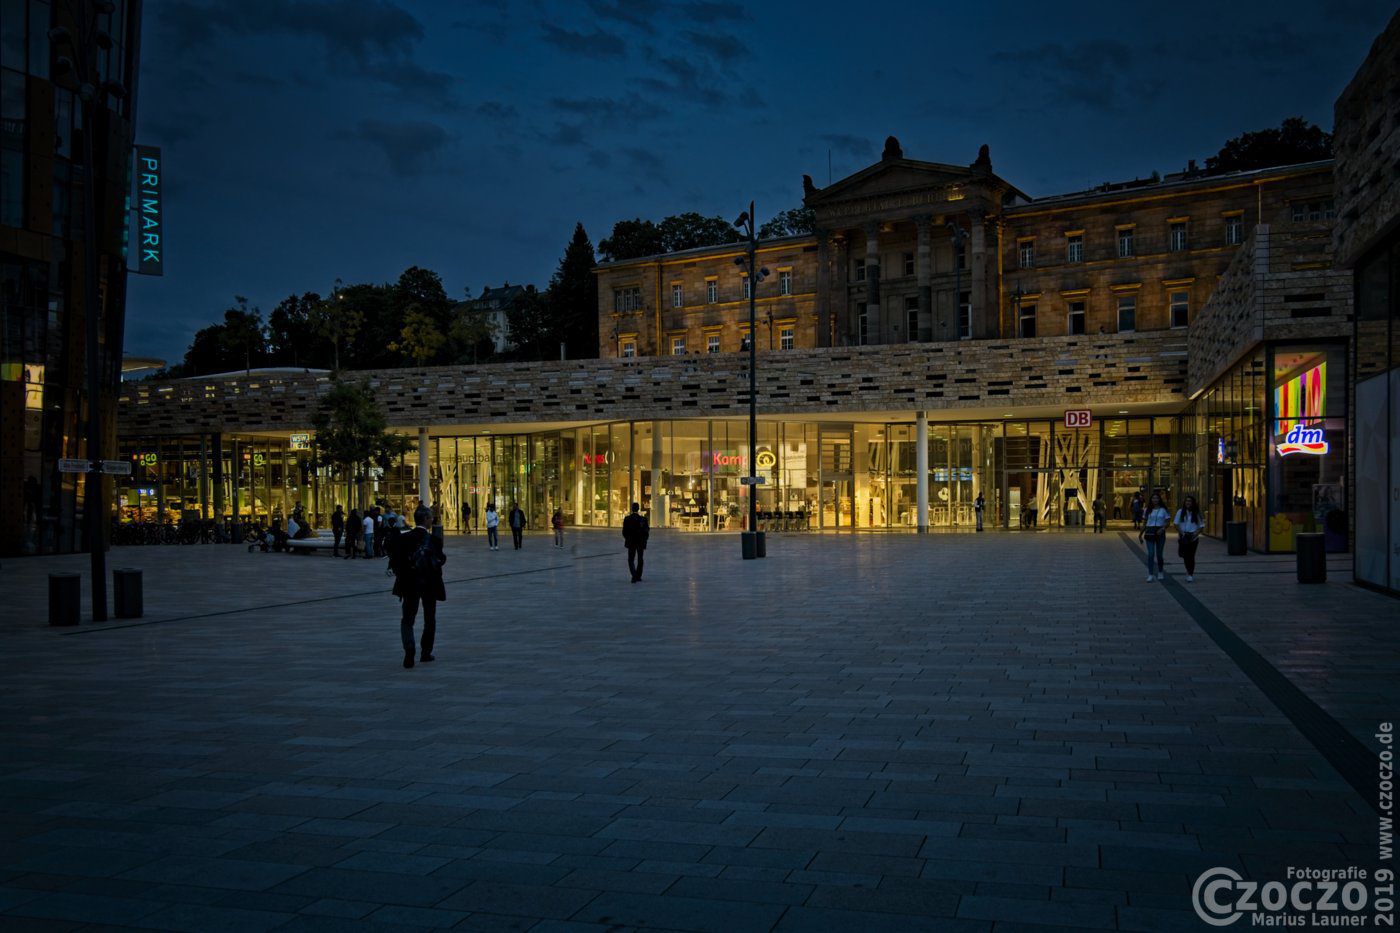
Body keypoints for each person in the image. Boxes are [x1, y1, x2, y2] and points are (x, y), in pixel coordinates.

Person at [388, 505, 446, 669]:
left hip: (409, 584)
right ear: (426, 520)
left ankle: (409, 648)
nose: (431, 520)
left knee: (407, 619)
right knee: (430, 618)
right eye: (430, 518)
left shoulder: (404, 538)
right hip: (429, 584)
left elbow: (396, 561)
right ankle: (426, 652)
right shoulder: (434, 540)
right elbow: (440, 560)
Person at [1139, 492, 1170, 581]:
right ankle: (1150, 574)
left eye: (1156, 498)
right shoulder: (1147, 510)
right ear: (1151, 500)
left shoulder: (1164, 510)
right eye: (1153, 498)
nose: (1155, 500)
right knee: (1151, 554)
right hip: (1150, 532)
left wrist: (1163, 528)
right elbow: (1144, 523)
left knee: (1159, 554)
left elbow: (1168, 521)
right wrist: (1140, 534)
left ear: (1159, 499)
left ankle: (1160, 571)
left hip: (1160, 532)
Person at [1173, 495, 1204, 582]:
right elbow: (1175, 524)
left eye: (1190, 501)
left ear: (1193, 503)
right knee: (1185, 556)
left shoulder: (1196, 512)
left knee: (1191, 556)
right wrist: (1182, 533)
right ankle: (1188, 570)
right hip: (1183, 536)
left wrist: (1195, 534)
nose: (1188, 503)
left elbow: (1201, 526)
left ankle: (1190, 574)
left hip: (1193, 537)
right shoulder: (1180, 511)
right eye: (1187, 501)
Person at [621, 501, 649, 582]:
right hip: (640, 541)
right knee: (640, 559)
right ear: (638, 508)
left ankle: (634, 574)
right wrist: (644, 539)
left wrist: (627, 538)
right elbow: (646, 531)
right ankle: (638, 575)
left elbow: (624, 532)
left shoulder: (627, 519)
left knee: (631, 559)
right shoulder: (643, 519)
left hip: (631, 541)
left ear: (632, 509)